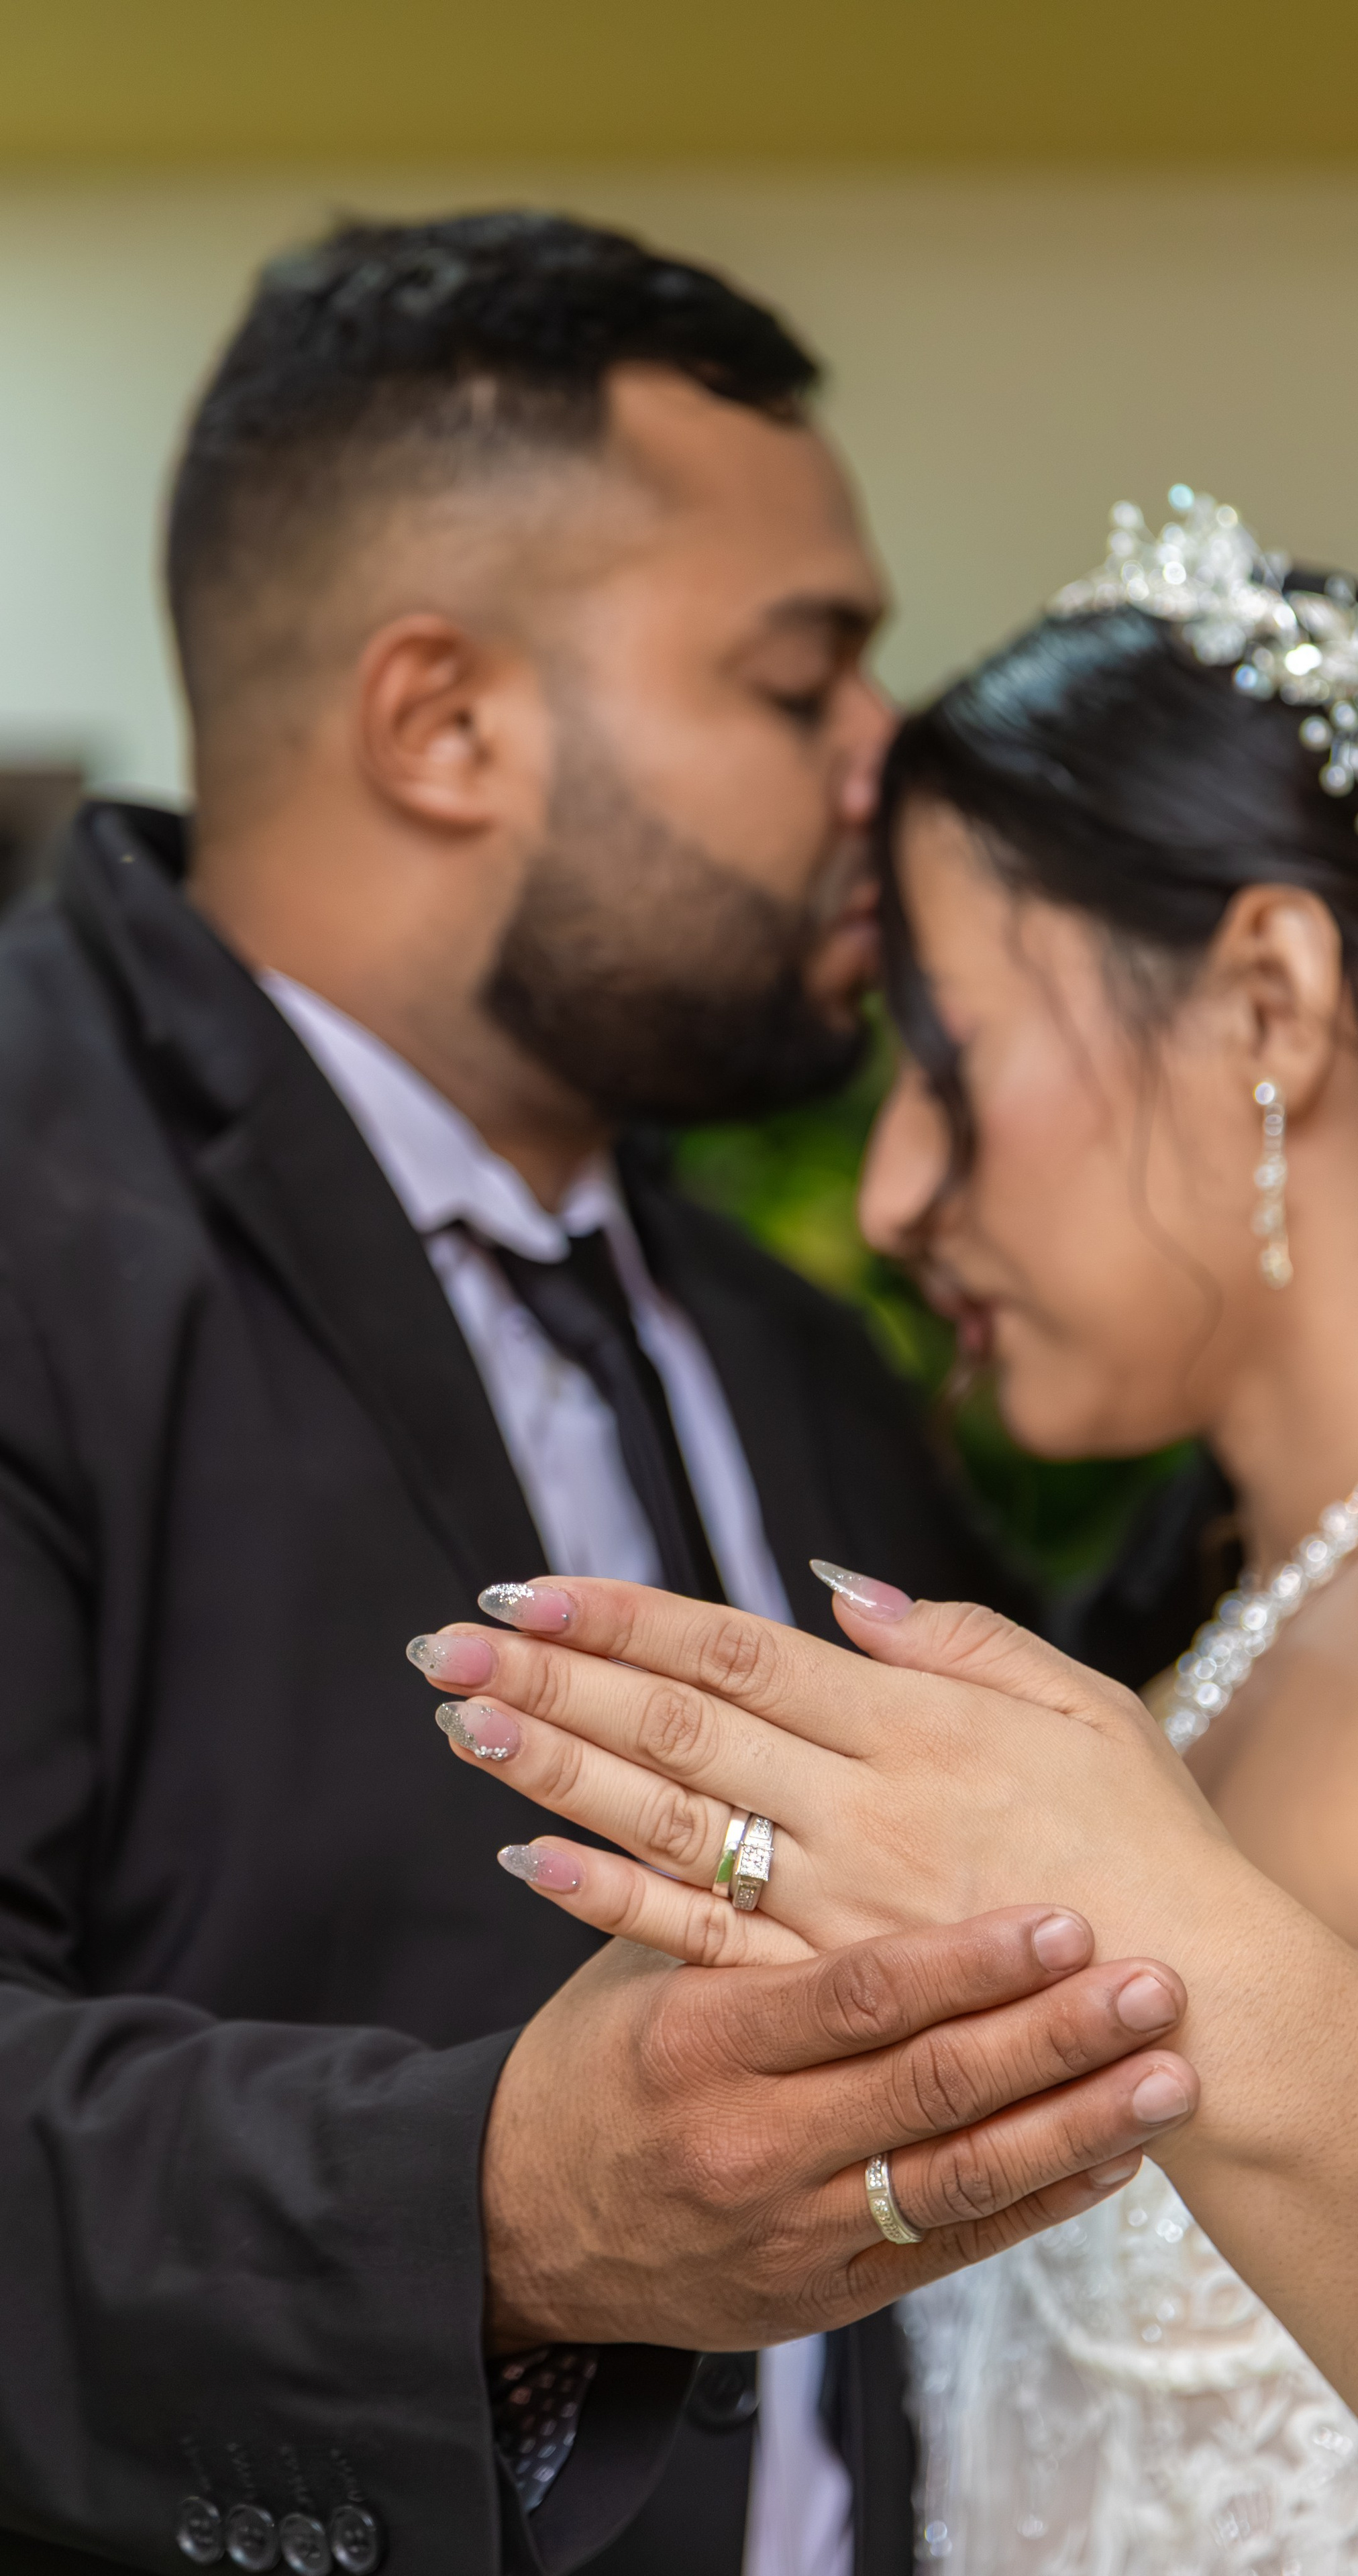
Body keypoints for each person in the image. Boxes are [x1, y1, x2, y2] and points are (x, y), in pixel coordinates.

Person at [0, 217, 1210, 2576]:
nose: (897, 770)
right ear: (442, 723)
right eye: (802, 683)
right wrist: (493, 2214)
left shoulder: (784, 1347)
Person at [418, 490, 1358, 2575]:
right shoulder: (1234, 1623)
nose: (906, 1189)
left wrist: (1194, 1955)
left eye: (949, 1054)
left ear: (1270, 1004)